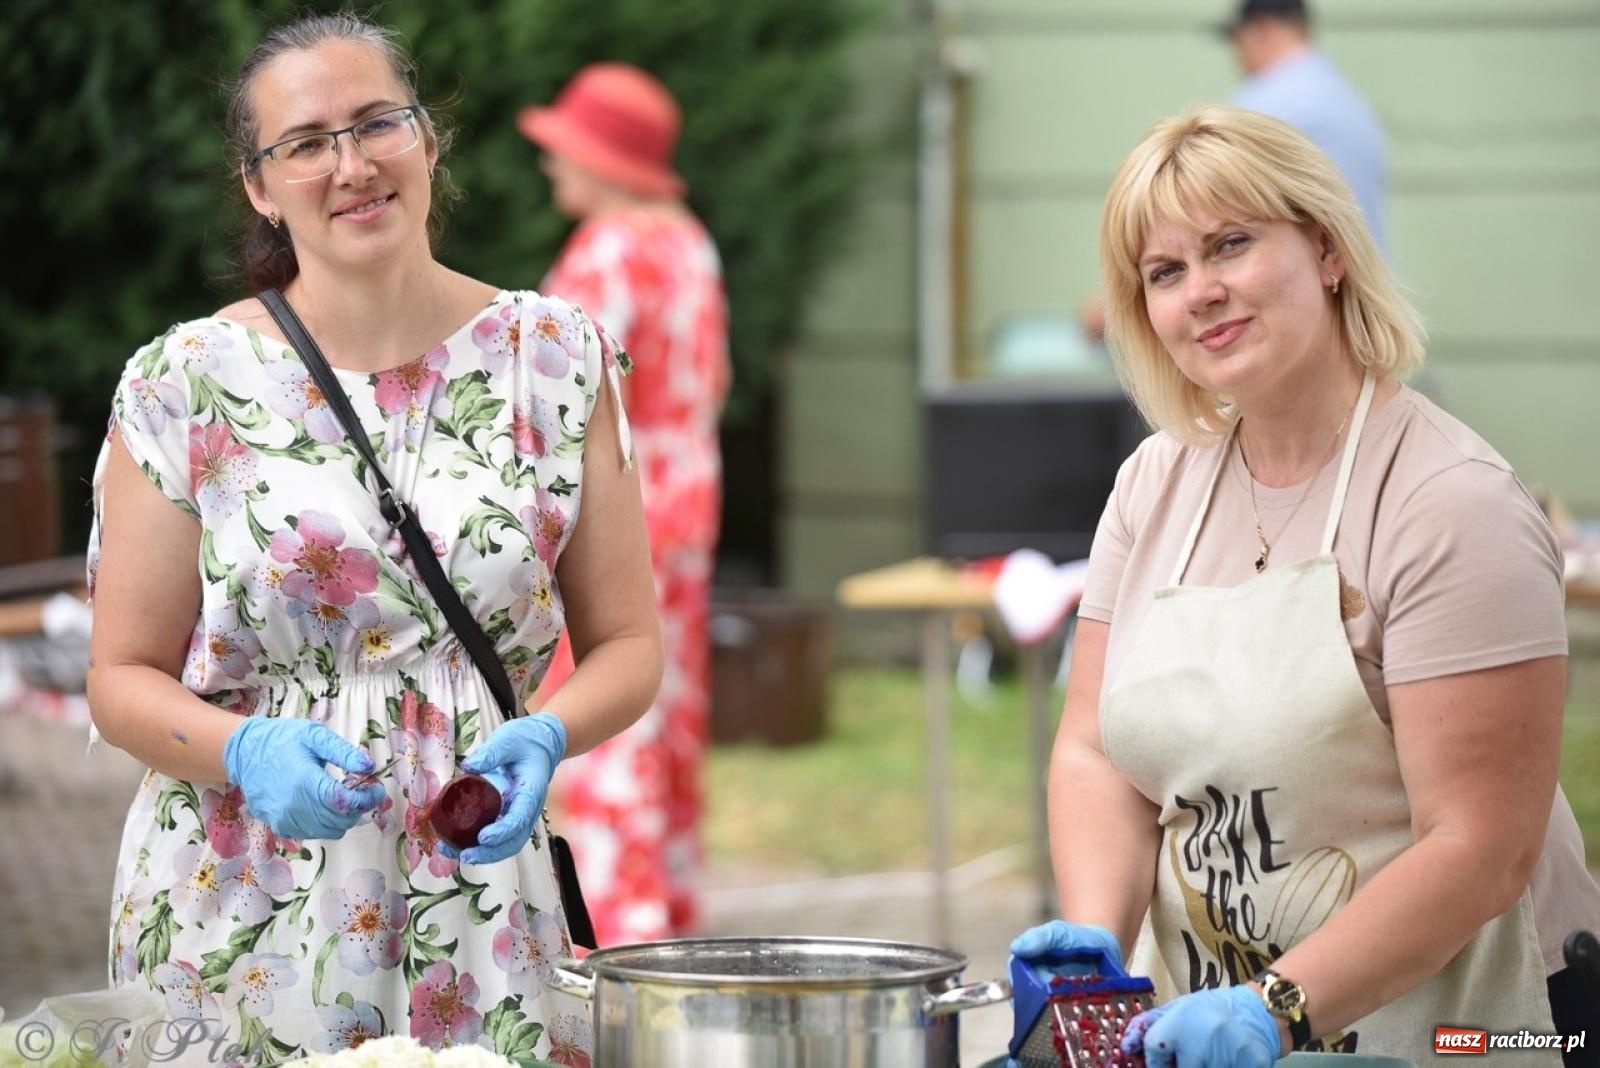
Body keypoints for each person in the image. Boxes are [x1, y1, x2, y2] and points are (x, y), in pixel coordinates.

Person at [85, 14, 661, 1063]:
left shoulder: (558, 358)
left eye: (376, 124)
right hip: (239, 905)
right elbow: (120, 679)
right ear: (260, 185)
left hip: (482, 899)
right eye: (305, 143)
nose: (350, 166)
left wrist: (547, 733)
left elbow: (628, 647)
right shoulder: (182, 384)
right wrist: (242, 748)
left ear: (428, 140)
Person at [1009, 105, 1600, 1067]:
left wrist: (1273, 1009)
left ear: (1326, 250)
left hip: (1481, 1028)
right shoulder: (1154, 486)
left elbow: (1483, 850)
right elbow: (1092, 750)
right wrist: (1096, 950)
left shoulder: (1451, 503)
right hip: (1231, 1023)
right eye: (1166, 272)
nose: (1201, 292)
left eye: (1230, 245)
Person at [517, 63, 731, 946]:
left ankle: (616, 924)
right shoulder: (689, 242)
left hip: (618, 507)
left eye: (562, 147)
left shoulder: (609, 249)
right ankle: (669, 907)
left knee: (603, 709)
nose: (548, 165)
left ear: (600, 156)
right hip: (686, 503)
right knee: (668, 704)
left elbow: (554, 399)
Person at [1221, 0, 1389, 254]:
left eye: (1235, 39)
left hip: (1313, 280)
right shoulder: (1347, 99)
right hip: (1359, 275)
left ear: (1260, 27)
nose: (1236, 53)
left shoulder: (1266, 101)